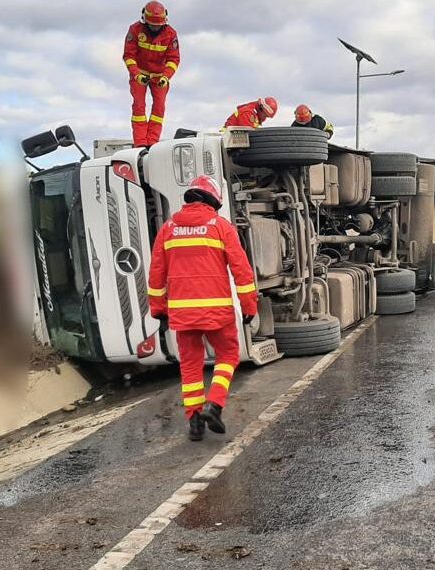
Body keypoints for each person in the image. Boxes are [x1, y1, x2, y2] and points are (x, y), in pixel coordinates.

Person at [148, 175, 258, 441]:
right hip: (216, 312)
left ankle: (194, 422)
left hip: (182, 314)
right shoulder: (221, 227)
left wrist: (158, 309)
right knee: (228, 355)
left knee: (190, 366)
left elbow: (156, 274)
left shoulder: (168, 228)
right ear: (213, 200)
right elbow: (241, 270)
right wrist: (249, 305)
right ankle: (215, 405)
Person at [123, 1, 180, 147]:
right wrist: (136, 74)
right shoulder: (135, 30)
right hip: (139, 75)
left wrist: (166, 77)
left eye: (158, 25)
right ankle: (141, 143)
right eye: (152, 24)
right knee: (139, 107)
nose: (155, 27)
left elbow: (173, 59)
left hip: (160, 76)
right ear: (145, 20)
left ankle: (152, 142)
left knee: (159, 108)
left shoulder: (171, 34)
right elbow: (129, 56)